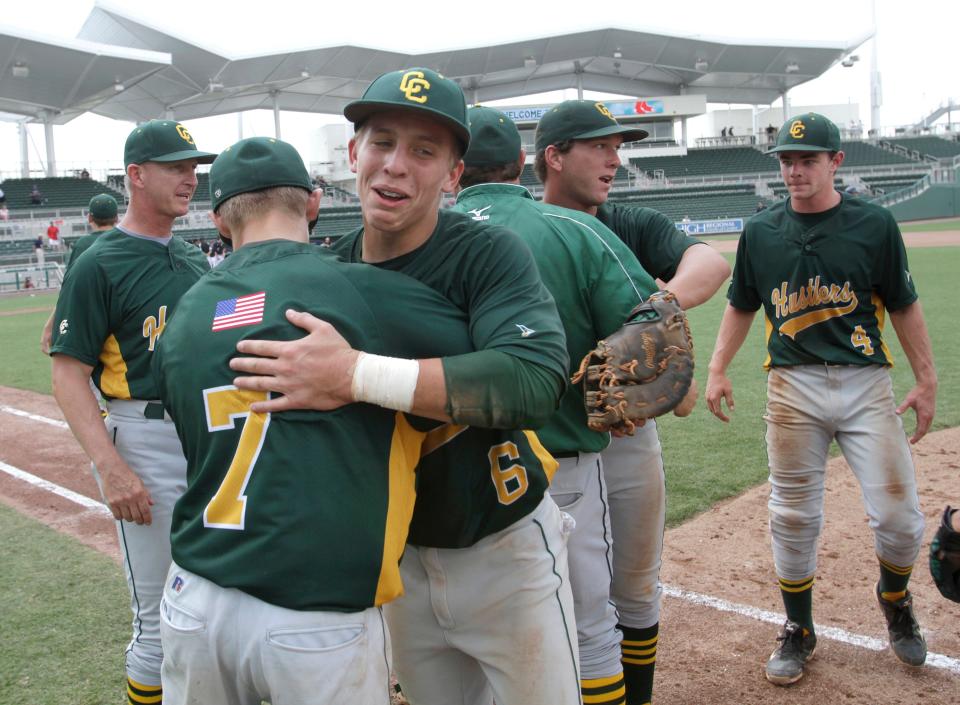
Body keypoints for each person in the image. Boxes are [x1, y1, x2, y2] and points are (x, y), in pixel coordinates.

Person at [228, 68, 579, 705]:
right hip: (393, 563)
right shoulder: (325, 273)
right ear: (354, 153)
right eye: (382, 142)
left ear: (452, 175)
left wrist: (355, 374)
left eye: (423, 151)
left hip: (503, 545)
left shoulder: (486, 253)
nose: (395, 166)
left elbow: (532, 381)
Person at [153, 136, 477, 704]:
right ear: (311, 204)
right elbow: (489, 376)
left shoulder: (185, 314)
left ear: (219, 221)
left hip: (194, 595)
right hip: (315, 610)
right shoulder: (362, 290)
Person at [705, 113, 936, 685]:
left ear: (836, 162)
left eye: (807, 159)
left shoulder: (875, 224)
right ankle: (799, 628)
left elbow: (903, 303)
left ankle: (895, 599)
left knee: (901, 519)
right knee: (792, 515)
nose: (794, 169)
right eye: (786, 160)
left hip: (865, 385)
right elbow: (742, 303)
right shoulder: (761, 231)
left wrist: (926, 379)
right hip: (792, 386)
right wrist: (716, 368)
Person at [455, 105, 666, 705]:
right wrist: (627, 397)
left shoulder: (410, 236)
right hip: (561, 463)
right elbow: (656, 336)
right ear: (524, 162)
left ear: (452, 169)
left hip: (446, 473)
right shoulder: (575, 230)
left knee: (464, 629)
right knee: (589, 625)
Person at [536, 99, 730, 705]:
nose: (615, 160)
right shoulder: (523, 232)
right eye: (599, 146)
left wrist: (647, 319)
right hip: (550, 445)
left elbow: (711, 260)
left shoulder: (629, 224)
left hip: (626, 435)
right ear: (554, 157)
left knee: (636, 586)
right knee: (557, 593)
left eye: (617, 147)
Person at [48, 119, 215, 705]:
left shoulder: (194, 257)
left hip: (209, 434)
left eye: (194, 168)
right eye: (176, 167)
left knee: (219, 604)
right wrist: (110, 465)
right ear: (136, 177)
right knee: (158, 622)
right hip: (143, 437)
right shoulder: (100, 261)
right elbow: (67, 369)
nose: (190, 179)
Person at [40, 194, 120, 354]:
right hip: (125, 323)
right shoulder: (127, 241)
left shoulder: (83, 245)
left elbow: (69, 291)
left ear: (90, 217)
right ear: (117, 218)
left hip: (90, 322)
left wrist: (50, 326)